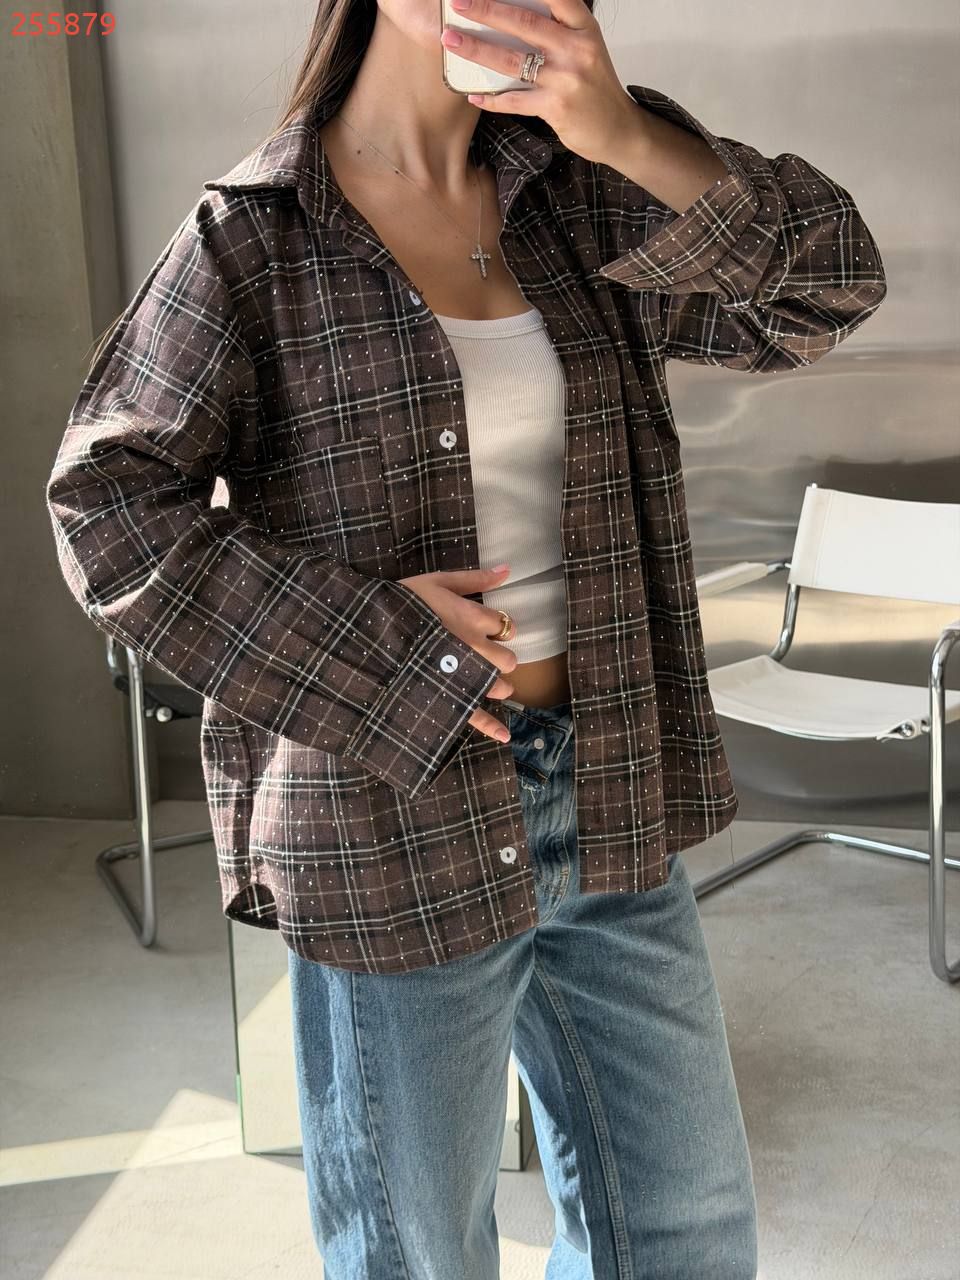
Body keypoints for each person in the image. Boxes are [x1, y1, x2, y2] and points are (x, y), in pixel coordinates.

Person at [46, 0, 887, 1274]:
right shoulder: (254, 237)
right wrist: (377, 640)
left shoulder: (584, 195)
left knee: (687, 1232)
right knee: (417, 1251)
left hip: (607, 789)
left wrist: (630, 133)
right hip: (395, 820)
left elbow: (830, 286)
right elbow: (106, 507)